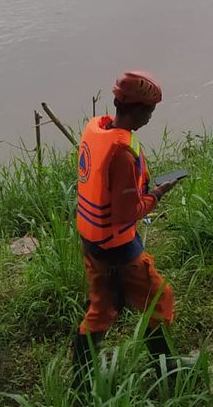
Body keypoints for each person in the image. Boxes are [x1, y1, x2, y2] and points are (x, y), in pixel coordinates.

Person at [71, 71, 181, 388]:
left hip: (92, 240)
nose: (150, 116)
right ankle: (169, 373)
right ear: (137, 109)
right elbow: (124, 213)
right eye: (150, 110)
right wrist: (156, 195)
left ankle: (81, 384)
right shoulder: (121, 152)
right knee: (160, 300)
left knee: (101, 309)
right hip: (118, 247)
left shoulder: (98, 128)